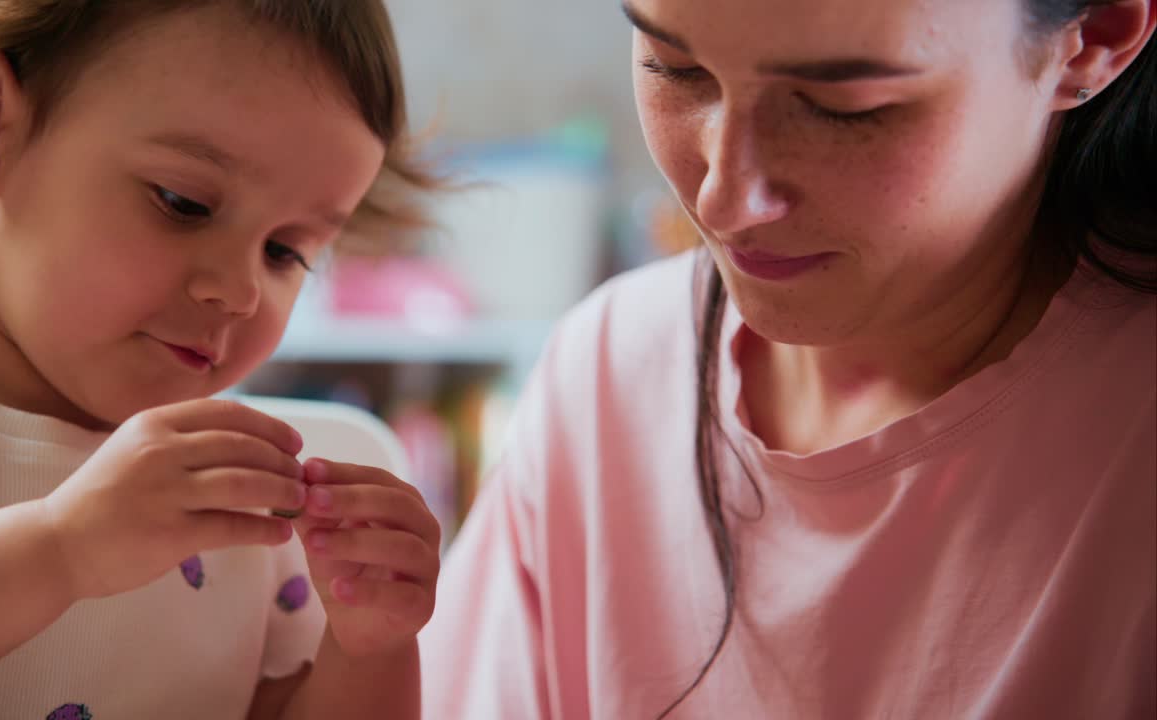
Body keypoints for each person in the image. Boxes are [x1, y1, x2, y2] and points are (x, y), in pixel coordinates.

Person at [421, 0, 1155, 717]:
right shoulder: (612, 368)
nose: (723, 199)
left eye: (844, 106)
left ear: (1094, 36)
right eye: (675, 67)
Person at [0, 2, 442, 718]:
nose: (239, 292)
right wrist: (59, 552)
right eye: (183, 202)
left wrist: (370, 651)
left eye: (285, 250)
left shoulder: (243, 496)